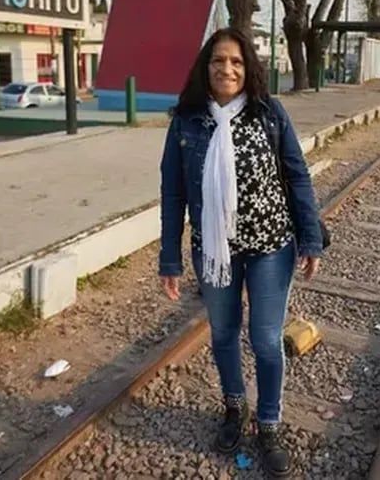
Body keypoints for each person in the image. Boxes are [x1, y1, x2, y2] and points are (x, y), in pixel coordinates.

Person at [159, 28, 323, 477]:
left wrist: (310, 237)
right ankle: (235, 407)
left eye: (235, 61)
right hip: (214, 252)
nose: (226, 69)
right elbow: (173, 193)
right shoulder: (187, 120)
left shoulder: (270, 113)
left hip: (271, 247)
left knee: (267, 340)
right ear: (205, 68)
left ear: (248, 67)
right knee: (224, 333)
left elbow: (298, 175)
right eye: (217, 61)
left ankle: (268, 422)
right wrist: (168, 260)